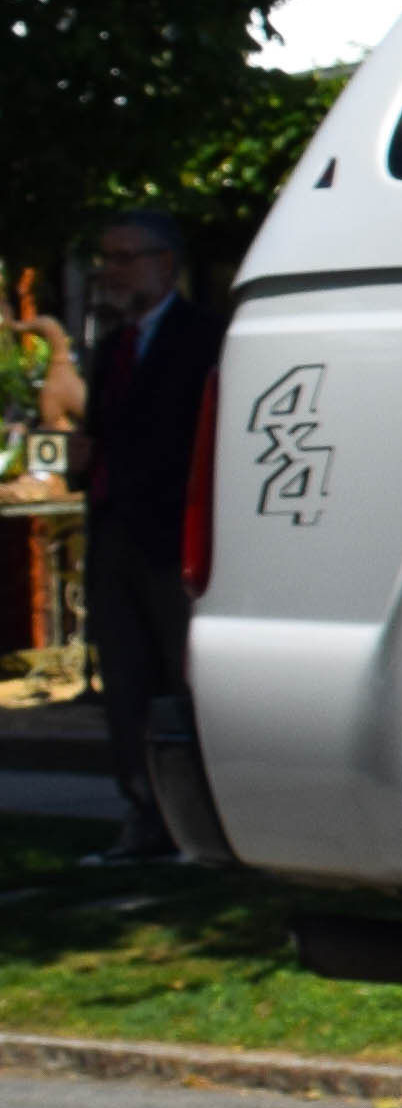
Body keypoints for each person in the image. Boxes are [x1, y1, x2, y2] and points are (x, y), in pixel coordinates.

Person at [47, 212, 215, 862]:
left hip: (172, 535)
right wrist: (84, 459)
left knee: (181, 678)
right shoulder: (113, 348)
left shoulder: (202, 338)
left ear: (165, 262)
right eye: (106, 258)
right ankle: (143, 813)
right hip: (115, 533)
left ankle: (196, 821)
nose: (111, 272)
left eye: (125, 258)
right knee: (126, 680)